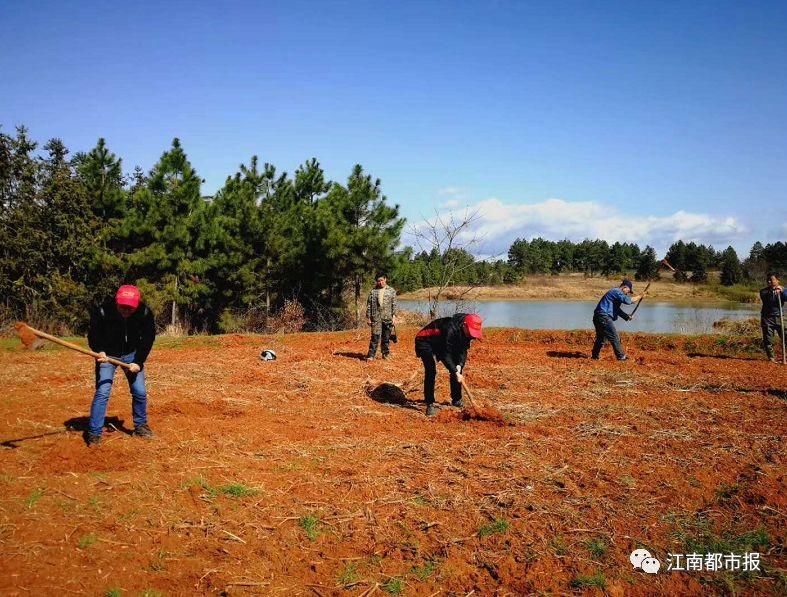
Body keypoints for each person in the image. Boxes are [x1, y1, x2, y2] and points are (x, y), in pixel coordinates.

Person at [86, 285, 156, 446]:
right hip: (107, 355)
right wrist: (99, 351)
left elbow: (148, 338)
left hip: (132, 355)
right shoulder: (103, 311)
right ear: (116, 302)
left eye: (130, 308)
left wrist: (138, 361)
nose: (125, 310)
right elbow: (93, 334)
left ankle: (140, 426)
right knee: (103, 391)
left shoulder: (144, 313)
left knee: (139, 391)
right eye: (122, 306)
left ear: (137, 305)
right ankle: (94, 433)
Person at [415, 313, 483, 416]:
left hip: (441, 342)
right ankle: (430, 403)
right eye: (470, 332)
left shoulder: (466, 332)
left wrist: (459, 365)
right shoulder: (449, 329)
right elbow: (444, 354)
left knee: (457, 370)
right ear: (464, 325)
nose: (470, 335)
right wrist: (455, 371)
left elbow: (463, 351)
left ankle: (456, 399)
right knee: (431, 370)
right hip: (425, 341)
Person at [591, 279, 646, 361]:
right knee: (615, 337)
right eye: (628, 291)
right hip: (604, 317)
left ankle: (595, 356)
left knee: (601, 338)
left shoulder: (615, 295)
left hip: (598, 317)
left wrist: (626, 316)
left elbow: (617, 310)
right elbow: (627, 301)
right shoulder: (616, 291)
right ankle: (621, 357)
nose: (627, 293)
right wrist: (640, 296)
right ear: (624, 287)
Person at [366, 273, 397, 361]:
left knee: (386, 337)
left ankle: (385, 354)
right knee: (374, 337)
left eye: (382, 280)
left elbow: (394, 305)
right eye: (378, 281)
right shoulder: (373, 291)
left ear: (385, 279)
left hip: (387, 317)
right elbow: (369, 305)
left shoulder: (391, 291)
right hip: (376, 317)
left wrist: (394, 317)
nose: (380, 282)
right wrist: (368, 317)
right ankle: (371, 355)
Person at [759, 272, 787, 363]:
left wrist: (781, 292)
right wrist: (773, 291)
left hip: (779, 317)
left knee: (785, 336)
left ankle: (785, 357)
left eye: (771, 279)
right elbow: (766, 298)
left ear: (778, 280)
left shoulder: (784, 290)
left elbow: (786, 297)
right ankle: (771, 358)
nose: (769, 281)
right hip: (767, 318)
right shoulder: (764, 291)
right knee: (768, 339)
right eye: (768, 280)